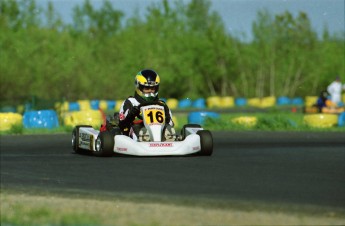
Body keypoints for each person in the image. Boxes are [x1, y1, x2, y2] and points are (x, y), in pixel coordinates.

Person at [117, 69, 175, 141]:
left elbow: (170, 123)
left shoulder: (162, 104)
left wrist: (165, 118)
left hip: (159, 134)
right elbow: (122, 124)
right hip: (135, 135)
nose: (150, 91)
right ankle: (144, 138)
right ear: (139, 87)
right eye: (147, 88)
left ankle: (167, 140)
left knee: (168, 128)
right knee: (137, 127)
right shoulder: (130, 102)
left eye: (153, 88)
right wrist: (132, 113)